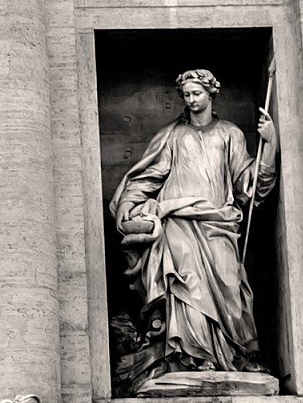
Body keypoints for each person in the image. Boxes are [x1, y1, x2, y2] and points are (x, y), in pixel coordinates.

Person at [109, 67, 277, 385]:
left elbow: (250, 187)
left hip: (219, 222)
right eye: (186, 95)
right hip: (178, 222)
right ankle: (191, 356)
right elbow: (147, 177)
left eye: (197, 93)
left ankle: (234, 354)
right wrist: (130, 207)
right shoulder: (172, 136)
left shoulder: (230, 134)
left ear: (212, 94)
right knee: (186, 287)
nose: (191, 99)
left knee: (230, 284)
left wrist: (269, 146)